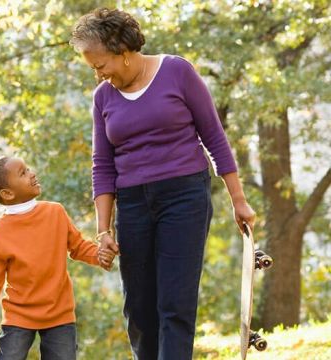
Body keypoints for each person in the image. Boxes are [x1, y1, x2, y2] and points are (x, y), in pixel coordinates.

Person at [69, 8, 256, 360]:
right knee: (139, 308)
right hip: (134, 203)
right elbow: (102, 164)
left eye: (100, 64)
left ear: (123, 51)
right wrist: (103, 229)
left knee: (175, 303)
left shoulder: (176, 71)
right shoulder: (103, 98)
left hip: (184, 195)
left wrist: (238, 199)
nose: (98, 75)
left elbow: (214, 137)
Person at [0, 156, 116, 360]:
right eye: (23, 173)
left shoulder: (55, 212)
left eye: (28, 169)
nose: (32, 173)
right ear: (8, 193)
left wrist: (99, 256)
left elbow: (78, 247)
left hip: (59, 312)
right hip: (18, 315)